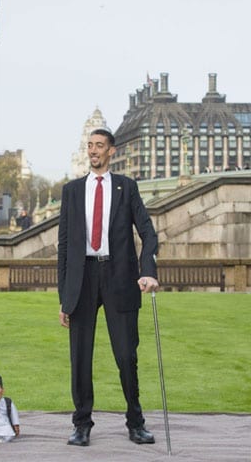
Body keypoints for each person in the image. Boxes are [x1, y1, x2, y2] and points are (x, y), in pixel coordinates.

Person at [58, 128, 159, 447]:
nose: (93, 150)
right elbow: (64, 246)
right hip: (82, 278)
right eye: (90, 145)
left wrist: (148, 271)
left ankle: (135, 422)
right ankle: (81, 424)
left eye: (99, 146)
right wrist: (64, 297)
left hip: (120, 276)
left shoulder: (126, 187)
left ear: (111, 151)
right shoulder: (72, 191)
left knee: (126, 355)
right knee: (80, 357)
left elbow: (148, 232)